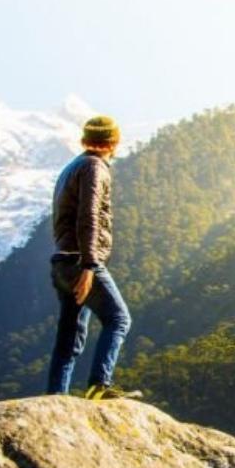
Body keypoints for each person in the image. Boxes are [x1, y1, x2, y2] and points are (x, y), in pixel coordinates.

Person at [46, 115, 135, 399]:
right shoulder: (95, 167)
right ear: (114, 142)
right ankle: (99, 385)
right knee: (119, 319)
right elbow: (89, 215)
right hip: (80, 261)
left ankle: (55, 396)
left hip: (61, 261)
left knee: (69, 336)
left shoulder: (70, 168)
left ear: (85, 140)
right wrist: (89, 265)